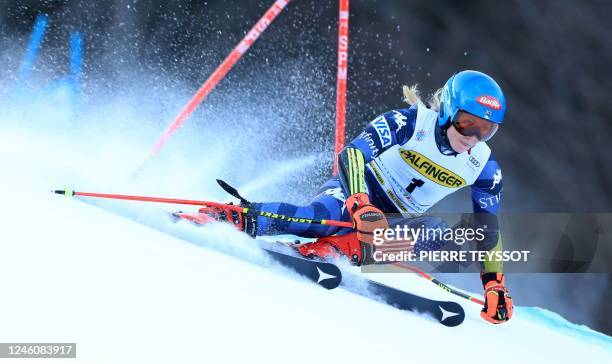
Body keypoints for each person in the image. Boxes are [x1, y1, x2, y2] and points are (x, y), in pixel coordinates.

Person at [179, 70, 513, 324]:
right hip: (355, 191)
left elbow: (488, 230)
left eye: (487, 130)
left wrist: (494, 284)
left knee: (437, 233)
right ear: (448, 111)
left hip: (393, 222)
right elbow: (352, 155)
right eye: (468, 123)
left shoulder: (483, 166)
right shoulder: (410, 122)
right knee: (318, 219)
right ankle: (232, 217)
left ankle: (329, 253)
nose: (474, 136)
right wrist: (360, 202)